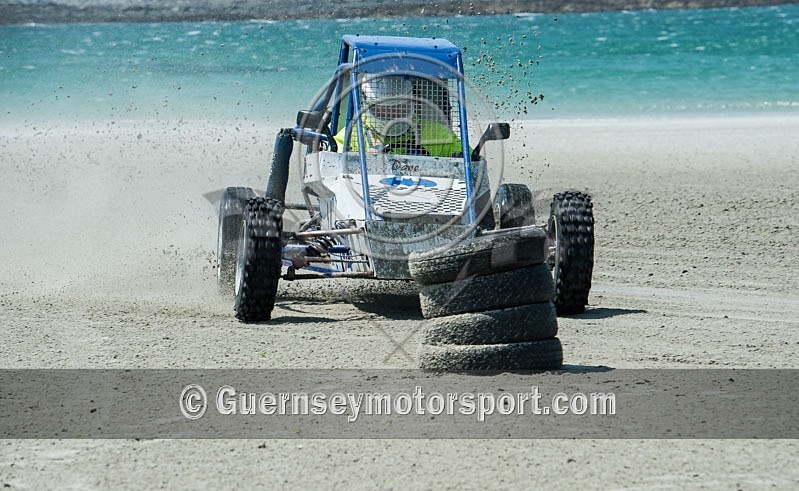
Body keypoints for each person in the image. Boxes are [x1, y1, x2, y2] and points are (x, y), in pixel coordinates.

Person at [334, 75, 465, 158]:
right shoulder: (350, 135)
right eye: (384, 109)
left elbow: (470, 160)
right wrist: (359, 163)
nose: (391, 116)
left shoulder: (438, 133)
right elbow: (333, 165)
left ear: (411, 103)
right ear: (368, 105)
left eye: (398, 108)